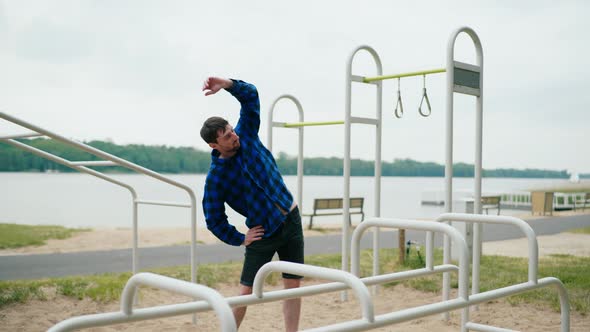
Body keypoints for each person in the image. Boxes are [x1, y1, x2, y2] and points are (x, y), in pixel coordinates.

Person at [200, 77, 304, 331]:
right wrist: (240, 238)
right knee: (245, 293)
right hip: (262, 234)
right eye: (227, 136)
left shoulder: (245, 134)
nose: (234, 136)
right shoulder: (216, 178)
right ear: (215, 145)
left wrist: (226, 84)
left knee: (292, 287)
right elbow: (214, 219)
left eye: (231, 130)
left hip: (291, 221)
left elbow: (251, 97)